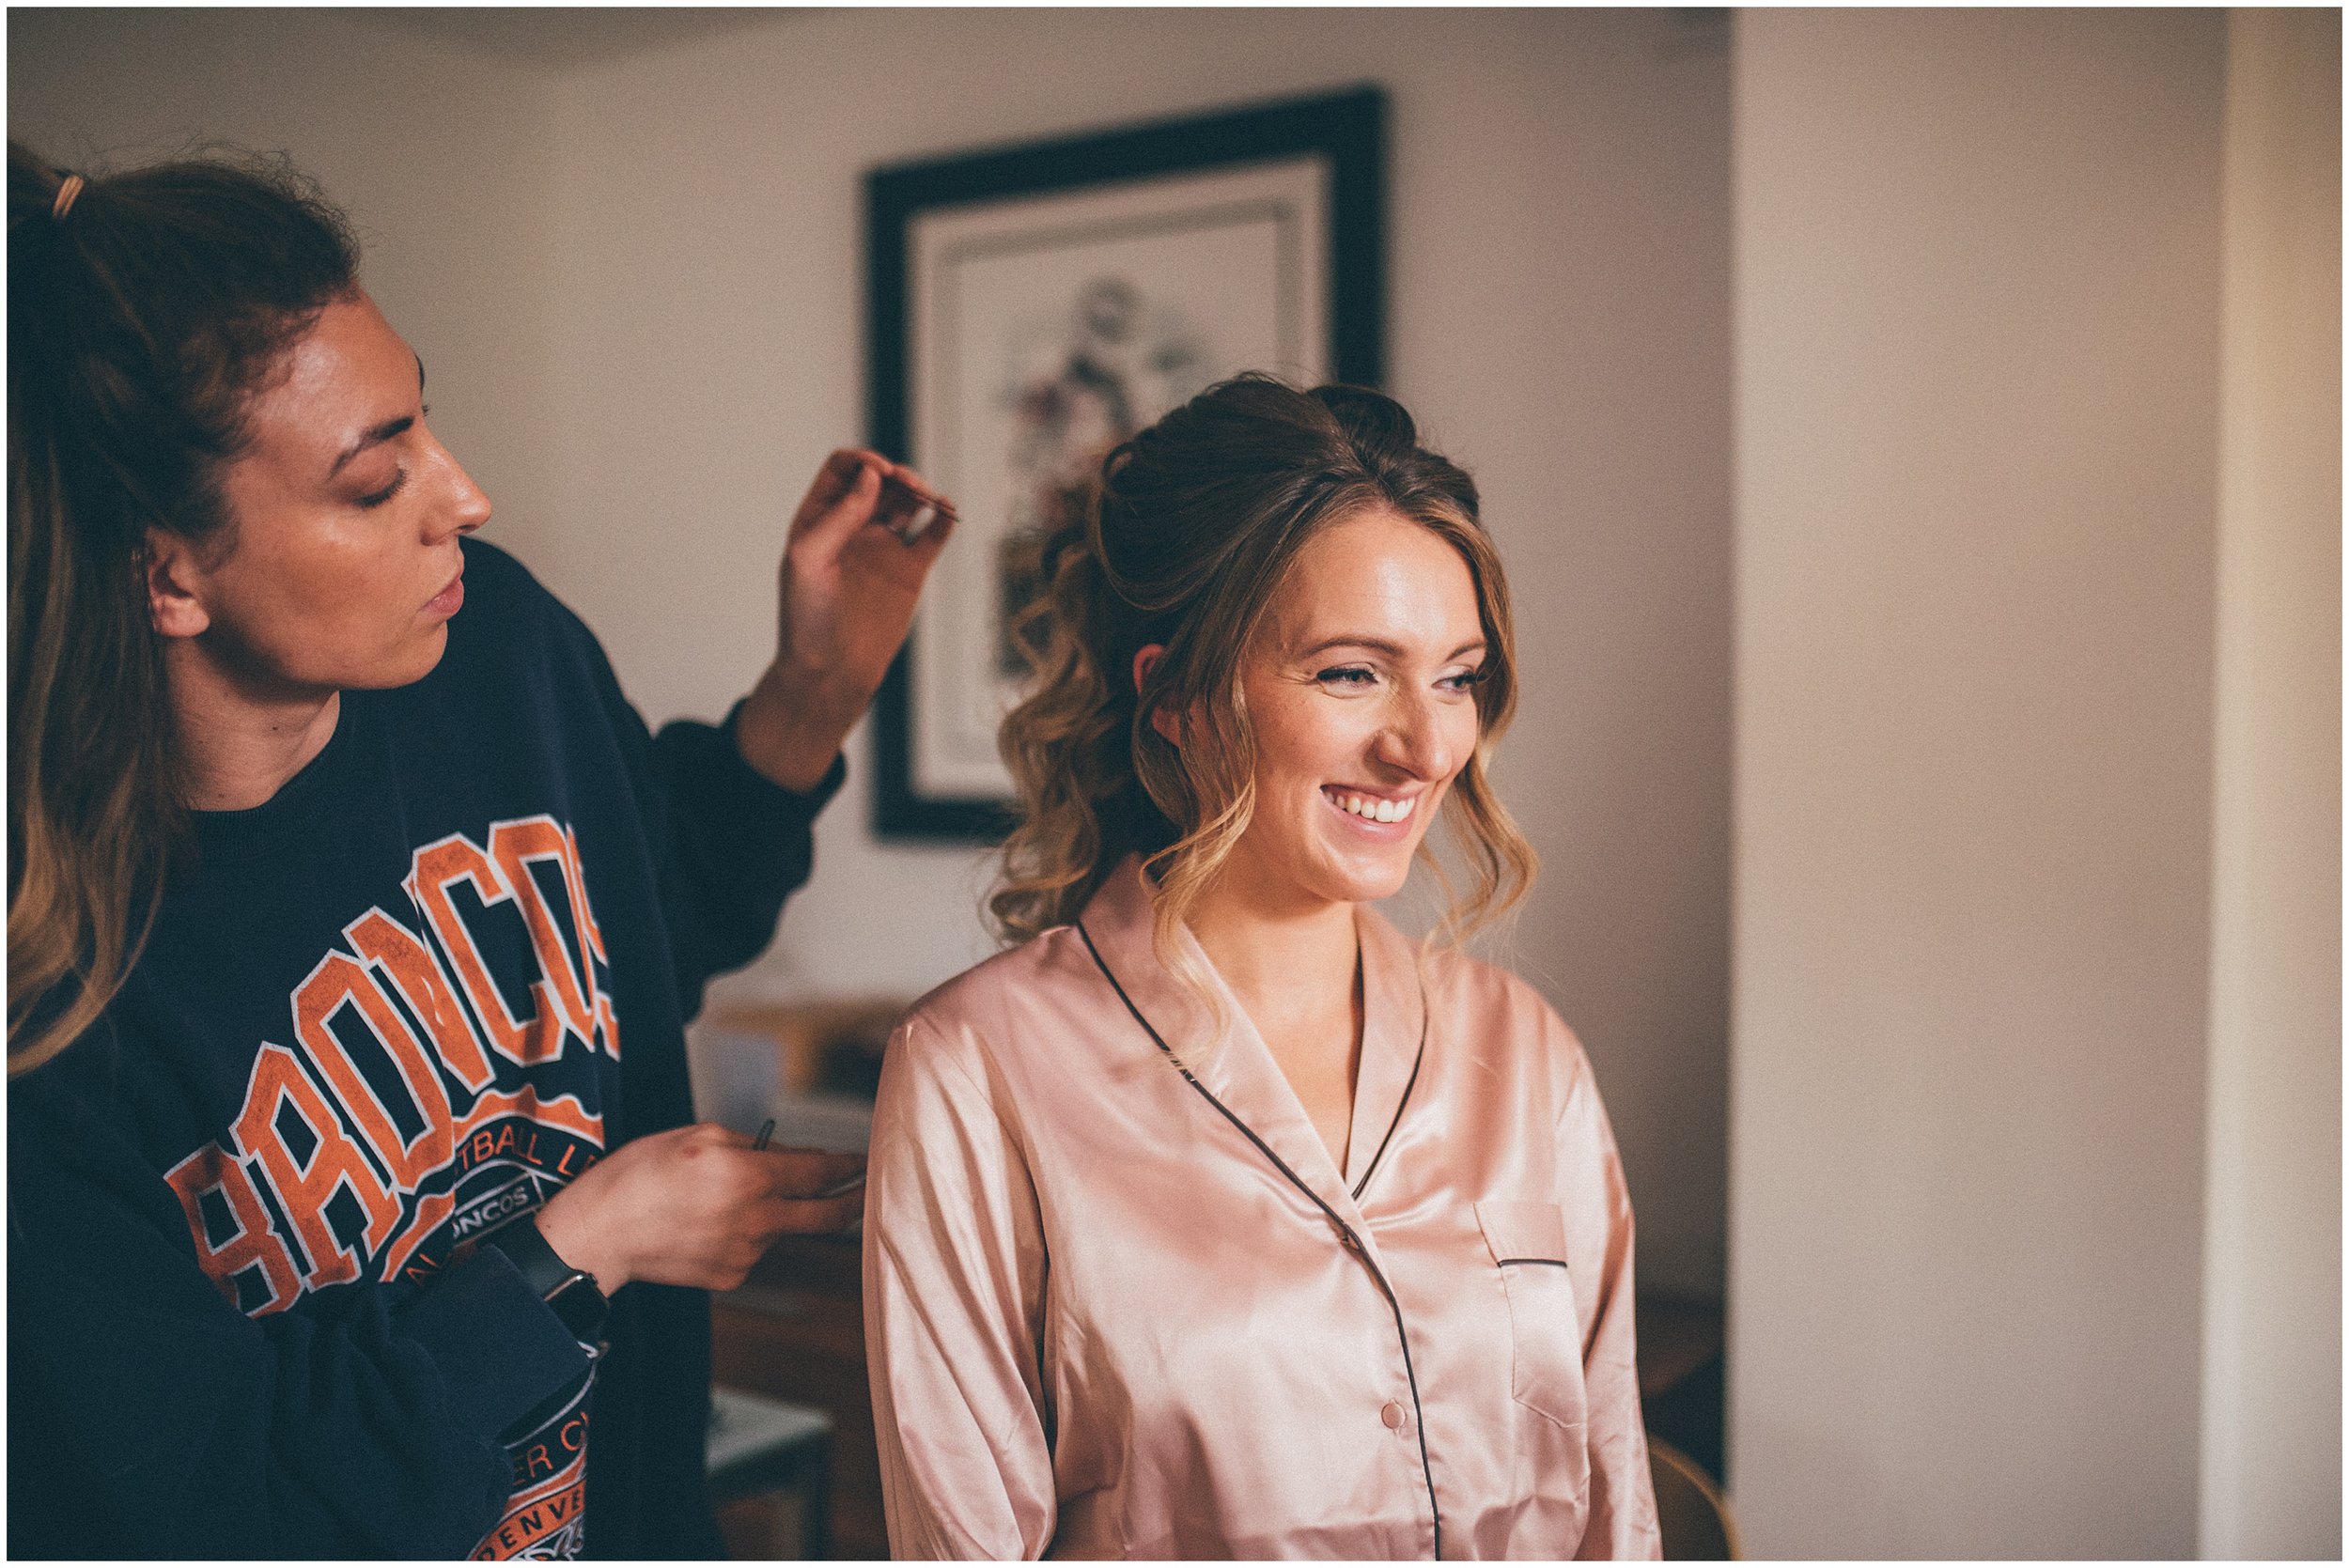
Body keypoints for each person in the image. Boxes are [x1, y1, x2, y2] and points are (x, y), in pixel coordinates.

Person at [7, 143, 952, 1559]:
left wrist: (817, 689)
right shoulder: (46, 989)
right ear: (166, 572)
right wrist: (580, 1250)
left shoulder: (493, 645)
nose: (465, 496)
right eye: (378, 480)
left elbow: (647, 926)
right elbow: (204, 1508)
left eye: (426, 424)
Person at [862, 374, 1662, 1559]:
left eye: (1455, 673)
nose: (1426, 743)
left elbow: (1611, 1499)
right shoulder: (977, 1072)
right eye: (1350, 671)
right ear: (1176, 695)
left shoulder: (1524, 1051)